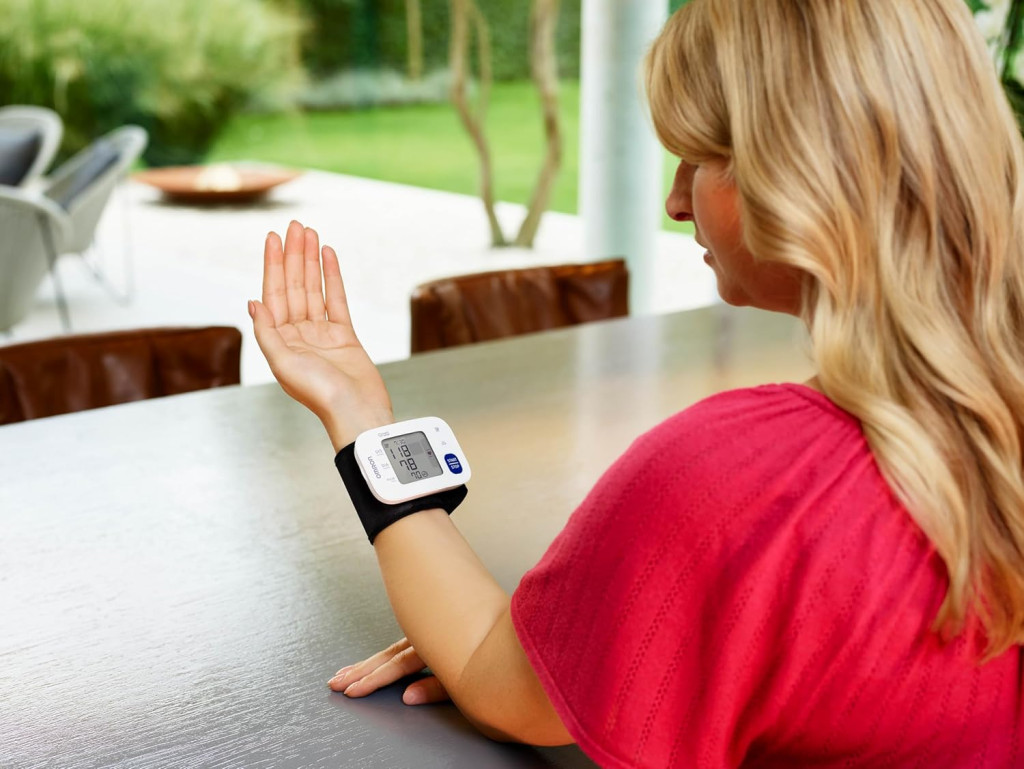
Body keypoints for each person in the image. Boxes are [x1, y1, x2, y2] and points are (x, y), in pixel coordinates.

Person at [249, 0, 1024, 765]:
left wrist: (356, 412)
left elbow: (498, 680)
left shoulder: (737, 478)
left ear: (806, 171)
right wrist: (578, 641)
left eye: (699, 159)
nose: (675, 201)